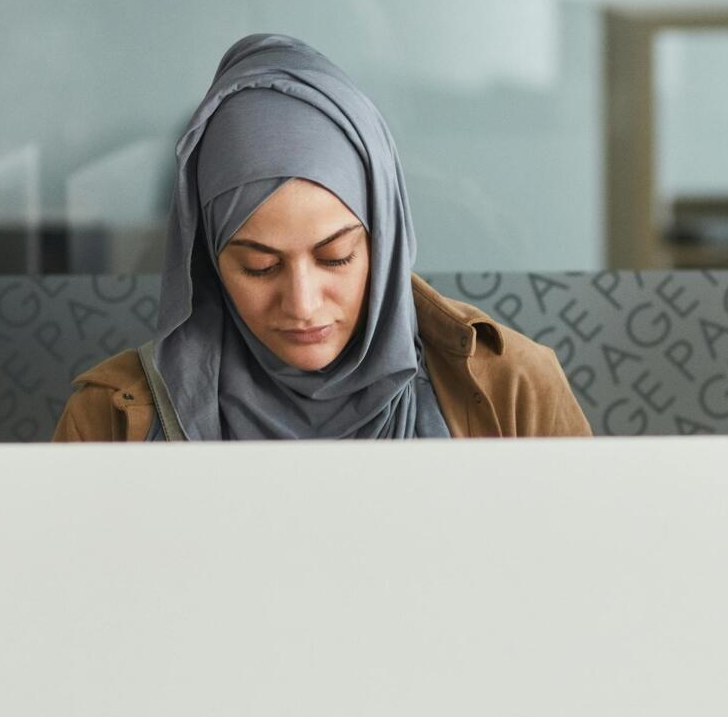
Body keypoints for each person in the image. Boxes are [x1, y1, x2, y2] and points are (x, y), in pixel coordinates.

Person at [54, 35, 590, 441]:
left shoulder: (512, 392)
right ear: (209, 261)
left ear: (384, 241)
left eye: (336, 258)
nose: (303, 304)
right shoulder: (110, 419)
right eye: (259, 267)